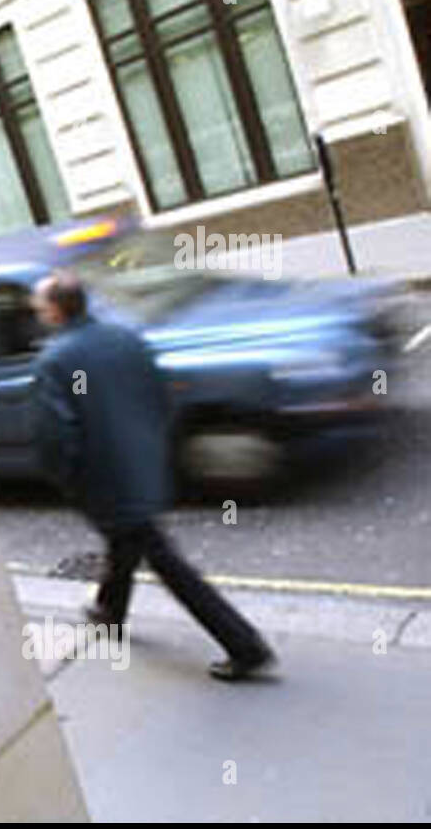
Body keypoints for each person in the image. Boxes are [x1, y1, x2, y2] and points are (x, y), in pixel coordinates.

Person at [29, 270, 275, 681]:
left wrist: (68, 479)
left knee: (163, 560)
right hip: (145, 465)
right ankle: (109, 611)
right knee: (127, 543)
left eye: (39, 306)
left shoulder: (56, 361)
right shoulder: (126, 339)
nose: (37, 312)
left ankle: (245, 646)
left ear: (54, 310)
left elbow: (57, 437)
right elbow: (163, 398)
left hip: (105, 480)